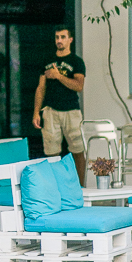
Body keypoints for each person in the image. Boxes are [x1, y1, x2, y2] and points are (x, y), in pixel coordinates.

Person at [32, 25, 87, 185]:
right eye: (57, 37)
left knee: (77, 150)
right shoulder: (47, 60)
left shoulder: (76, 62)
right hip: (50, 110)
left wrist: (58, 76)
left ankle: (81, 187)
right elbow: (41, 87)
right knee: (51, 152)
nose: (59, 41)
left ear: (70, 39)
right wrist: (36, 112)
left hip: (72, 110)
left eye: (63, 37)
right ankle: (55, 187)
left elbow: (79, 86)